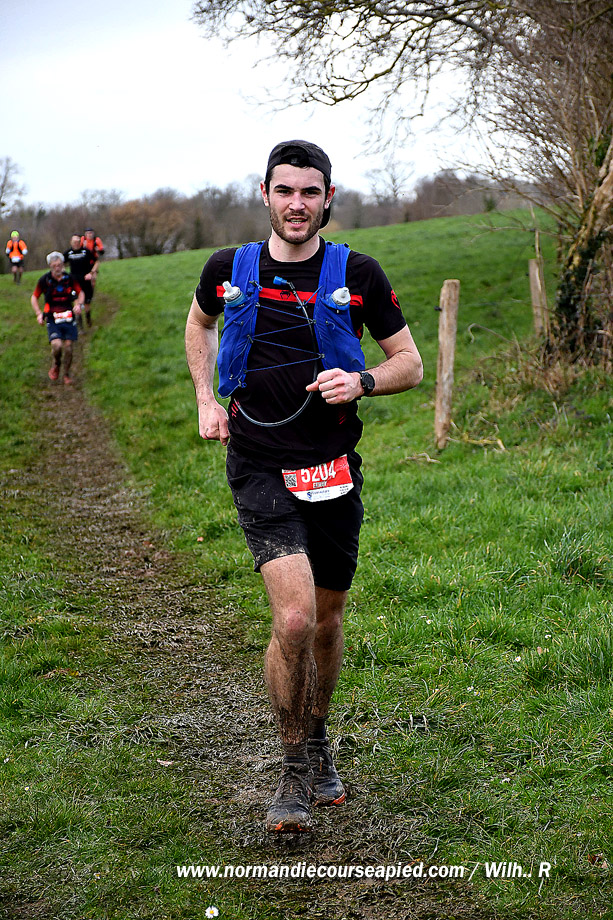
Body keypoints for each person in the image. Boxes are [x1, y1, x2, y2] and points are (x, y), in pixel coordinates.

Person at [185, 140, 423, 834]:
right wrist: (205, 398)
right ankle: (291, 767)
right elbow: (199, 323)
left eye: (309, 192)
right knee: (292, 618)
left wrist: (364, 380)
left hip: (332, 466)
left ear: (327, 198)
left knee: (324, 622)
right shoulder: (227, 269)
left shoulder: (359, 273)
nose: (296, 204)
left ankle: (317, 738)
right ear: (264, 193)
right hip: (258, 461)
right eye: (284, 190)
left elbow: (409, 362)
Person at [31, 251, 84, 385]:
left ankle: (66, 374)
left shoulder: (70, 278)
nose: (57, 268)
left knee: (69, 347)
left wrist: (79, 305)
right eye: (54, 266)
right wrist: (38, 313)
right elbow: (34, 297)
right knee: (57, 345)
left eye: (59, 265)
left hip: (69, 317)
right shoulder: (45, 280)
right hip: (52, 318)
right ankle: (56, 364)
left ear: (63, 265)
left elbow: (80, 293)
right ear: (50, 266)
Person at [64, 233, 99, 328]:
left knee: (87, 302)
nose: (76, 244)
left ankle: (88, 320)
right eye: (74, 242)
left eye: (78, 242)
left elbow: (96, 261)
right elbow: (60, 263)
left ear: (81, 242)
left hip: (85, 280)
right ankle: (80, 325)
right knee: (77, 302)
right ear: (71, 242)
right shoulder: (68, 253)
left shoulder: (86, 251)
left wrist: (91, 273)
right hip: (74, 281)